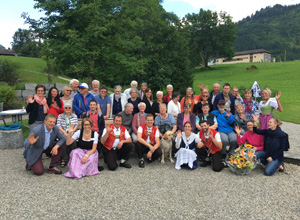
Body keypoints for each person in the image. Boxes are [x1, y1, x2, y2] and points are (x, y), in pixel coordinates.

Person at [56, 103, 78, 167]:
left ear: (71, 109)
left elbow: (76, 125)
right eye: (66, 108)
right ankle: (64, 158)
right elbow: (59, 126)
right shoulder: (60, 116)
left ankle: (72, 158)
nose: (68, 109)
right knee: (63, 140)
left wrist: (72, 131)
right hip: (63, 133)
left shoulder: (74, 116)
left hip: (72, 133)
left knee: (73, 141)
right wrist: (64, 133)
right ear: (64, 109)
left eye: (69, 108)